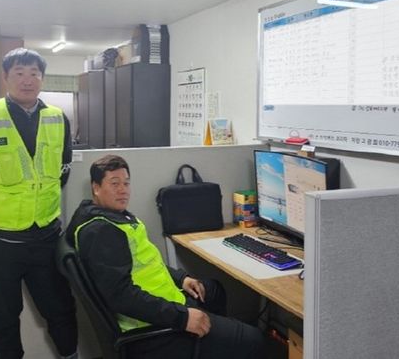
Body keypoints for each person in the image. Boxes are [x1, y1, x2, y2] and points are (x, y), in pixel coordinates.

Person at [66, 154, 264, 359]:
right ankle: (215, 339)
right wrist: (183, 318)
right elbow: (122, 296)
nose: (123, 190)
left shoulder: (112, 216)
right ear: (96, 188)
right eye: (114, 183)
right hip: (149, 328)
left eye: (126, 183)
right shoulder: (102, 232)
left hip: (159, 299)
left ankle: (214, 343)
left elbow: (147, 263)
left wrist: (181, 278)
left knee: (214, 290)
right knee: (253, 339)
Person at [0, 48, 78, 359]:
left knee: (61, 310)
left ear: (42, 78)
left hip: (46, 237)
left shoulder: (57, 118)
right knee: (2, 320)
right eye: (19, 73)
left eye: (34, 73)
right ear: (6, 77)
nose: (27, 80)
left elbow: (63, 168)